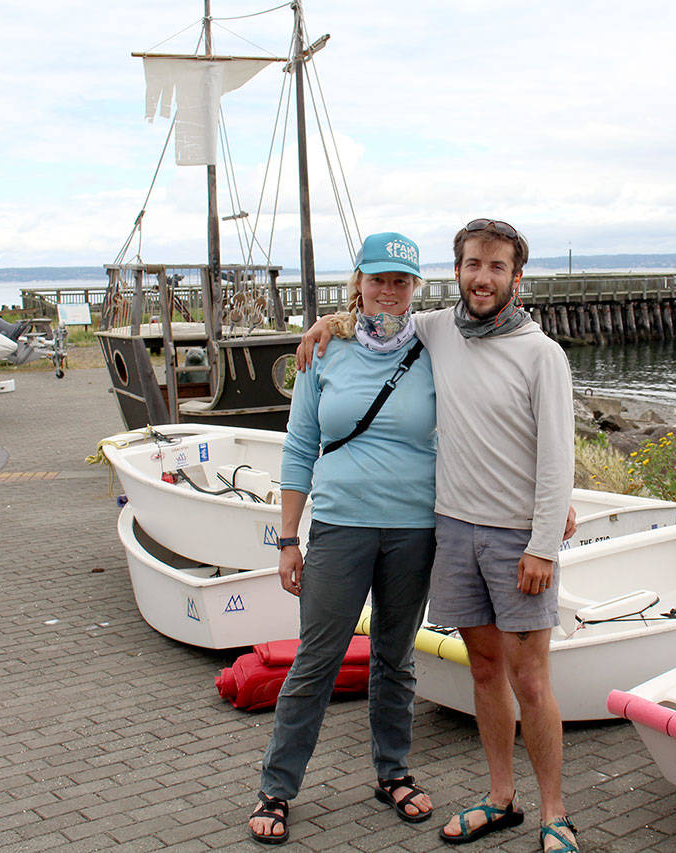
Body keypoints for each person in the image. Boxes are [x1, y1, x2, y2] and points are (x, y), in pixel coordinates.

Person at [300, 219, 579, 852]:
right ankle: (501, 798)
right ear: (455, 272)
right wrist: (322, 326)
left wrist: (543, 542)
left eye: (497, 267)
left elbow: (558, 458)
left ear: (516, 277)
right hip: (453, 532)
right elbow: (375, 312)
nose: (483, 278)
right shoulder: (438, 330)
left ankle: (554, 813)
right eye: (473, 264)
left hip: (516, 541)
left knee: (530, 679)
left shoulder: (542, 354)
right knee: (484, 671)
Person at [249, 232, 437, 845]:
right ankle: (276, 787)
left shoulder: (437, 346)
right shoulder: (323, 352)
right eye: (378, 278)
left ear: (416, 288)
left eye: (401, 281)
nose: (389, 291)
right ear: (358, 280)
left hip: (414, 527)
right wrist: (288, 538)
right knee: (317, 659)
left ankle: (393, 773)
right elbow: (300, 446)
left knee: (395, 658)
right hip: (339, 526)